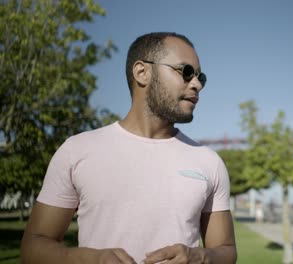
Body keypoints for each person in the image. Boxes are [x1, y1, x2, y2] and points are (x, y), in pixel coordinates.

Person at [21, 32, 237, 264]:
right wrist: (90, 259)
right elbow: (34, 246)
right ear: (142, 72)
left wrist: (199, 257)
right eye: (185, 72)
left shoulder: (208, 162)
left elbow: (226, 250)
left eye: (199, 77)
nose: (196, 85)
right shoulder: (77, 150)